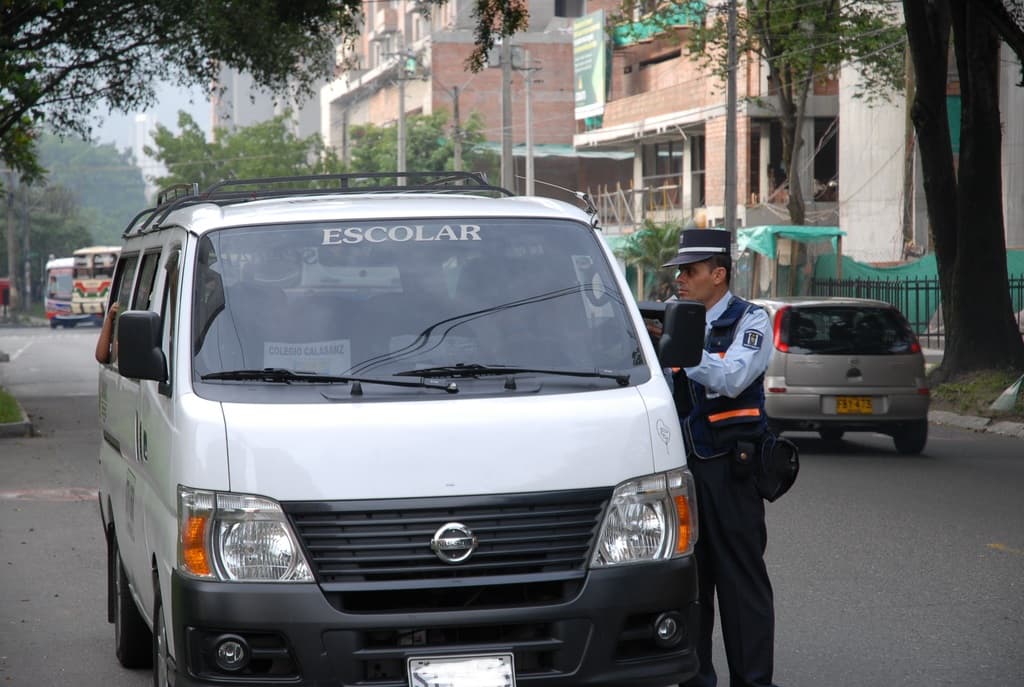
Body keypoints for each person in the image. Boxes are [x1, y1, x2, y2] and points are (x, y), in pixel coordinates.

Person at [662, 228, 779, 687]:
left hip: (732, 472)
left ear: (718, 274)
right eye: (679, 272)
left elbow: (731, 378)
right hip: (681, 473)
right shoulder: (671, 320)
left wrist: (678, 349)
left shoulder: (752, 320)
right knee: (688, 587)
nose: (681, 280)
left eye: (689, 272)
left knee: (741, 586)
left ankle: (753, 681)